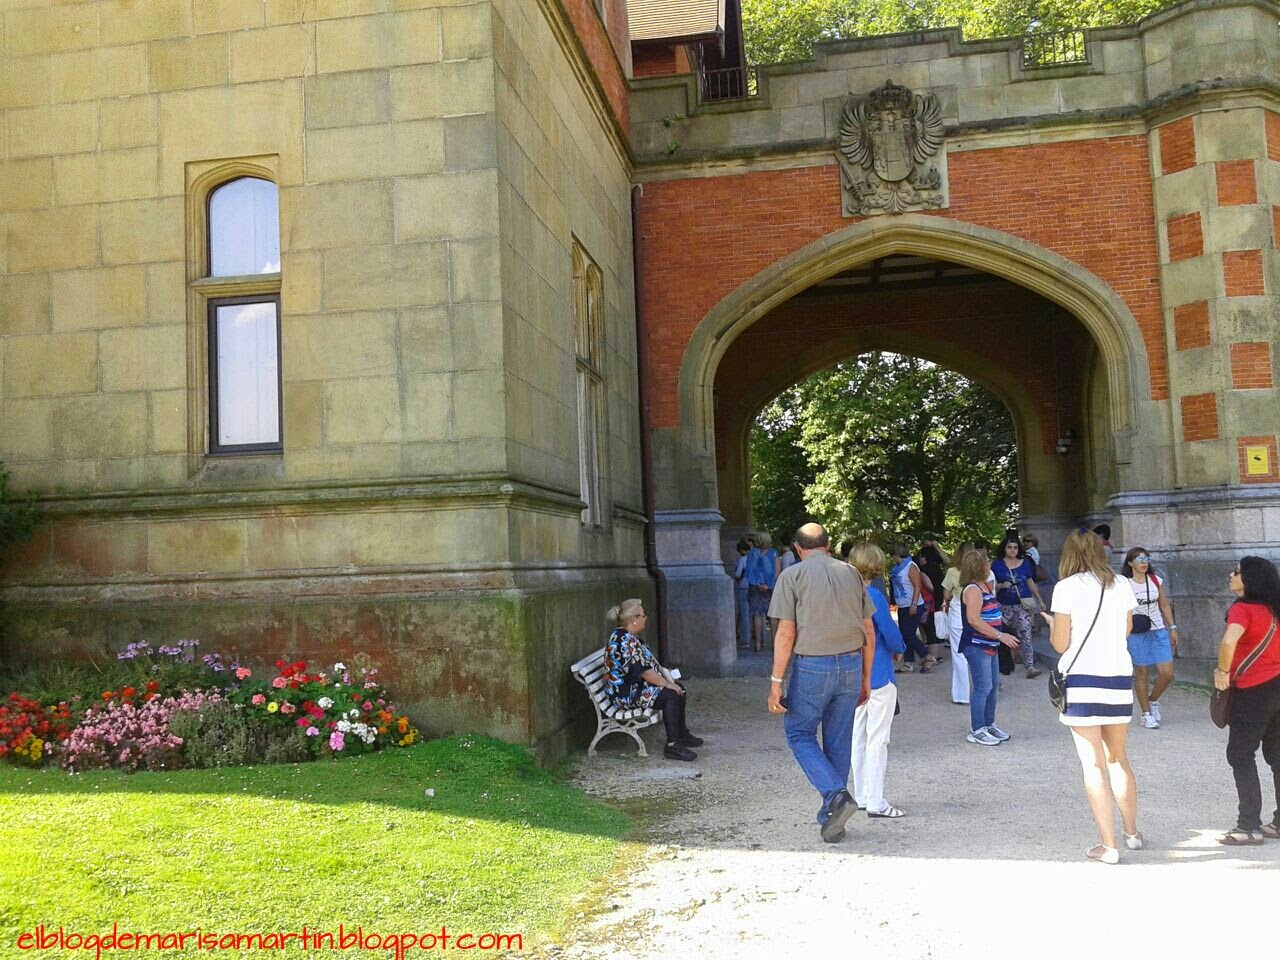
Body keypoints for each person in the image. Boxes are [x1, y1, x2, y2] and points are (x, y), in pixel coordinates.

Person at [766, 522, 876, 843]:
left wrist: (776, 681)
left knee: (798, 731)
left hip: (814, 664)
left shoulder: (791, 576)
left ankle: (835, 797)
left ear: (798, 549)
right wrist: (866, 677)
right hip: (852, 662)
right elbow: (868, 630)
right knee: (839, 740)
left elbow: (785, 633)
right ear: (827, 545)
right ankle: (833, 818)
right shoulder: (852, 574)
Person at [1048, 530, 1141, 864]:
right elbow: (1127, 629)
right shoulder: (1121, 584)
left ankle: (1108, 844)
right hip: (1117, 676)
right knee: (1118, 758)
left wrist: (1051, 625)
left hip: (1083, 679)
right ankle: (1132, 833)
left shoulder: (1066, 588)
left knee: (1093, 765)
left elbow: (1060, 644)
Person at [1212, 556, 1280, 846]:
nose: (1231, 575)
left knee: (1240, 753)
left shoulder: (1243, 609)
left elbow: (1229, 641)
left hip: (1253, 690)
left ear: (1249, 579)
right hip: (1277, 685)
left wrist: (1222, 671)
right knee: (1277, 755)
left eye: (1237, 571)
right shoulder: (1274, 609)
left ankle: (1248, 825)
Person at [847, 542, 907, 819]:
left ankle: (860, 795)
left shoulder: (843, 595)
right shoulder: (874, 595)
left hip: (851, 673)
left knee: (857, 737)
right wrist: (899, 648)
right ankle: (876, 800)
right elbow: (889, 633)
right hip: (879, 673)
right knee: (878, 739)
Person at [603, 599, 702, 761]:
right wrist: (668, 684)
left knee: (678, 688)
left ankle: (681, 734)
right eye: (643, 615)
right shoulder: (623, 641)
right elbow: (644, 672)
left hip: (631, 688)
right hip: (625, 695)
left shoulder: (626, 636)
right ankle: (673, 745)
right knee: (670, 694)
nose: (646, 618)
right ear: (633, 619)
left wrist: (670, 682)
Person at [957, 549, 1021, 746]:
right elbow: (974, 620)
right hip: (977, 645)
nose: (989, 565)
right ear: (978, 566)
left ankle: (988, 723)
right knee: (983, 687)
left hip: (989, 644)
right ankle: (977, 729)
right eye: (986, 562)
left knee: (992, 687)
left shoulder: (983, 586)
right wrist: (1001, 635)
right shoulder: (973, 589)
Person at [1121, 547, 1178, 729]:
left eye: (1146, 559)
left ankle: (1153, 700)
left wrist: (1173, 627)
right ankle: (1146, 714)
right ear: (1130, 563)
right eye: (1139, 559)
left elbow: (1164, 605)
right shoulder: (1124, 584)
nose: (1144, 562)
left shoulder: (1154, 580)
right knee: (1142, 672)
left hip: (1157, 628)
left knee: (1167, 673)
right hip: (1136, 631)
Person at [992, 537, 1045, 679]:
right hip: (1004, 604)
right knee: (1001, 635)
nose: (1012, 550)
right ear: (1004, 548)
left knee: (1026, 635)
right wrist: (1002, 586)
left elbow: (1030, 582)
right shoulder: (997, 565)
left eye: (1015, 548)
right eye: (1009, 547)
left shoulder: (1026, 563)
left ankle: (1030, 666)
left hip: (1023, 603)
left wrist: (1039, 599)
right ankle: (1003, 665)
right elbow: (991, 584)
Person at [889, 544, 935, 672]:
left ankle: (928, 656)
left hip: (913, 605)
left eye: (893, 555)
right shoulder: (896, 568)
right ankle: (908, 663)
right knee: (905, 635)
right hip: (902, 605)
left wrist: (914, 604)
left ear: (897, 555)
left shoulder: (911, 566)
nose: (892, 558)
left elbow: (917, 586)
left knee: (908, 634)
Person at [942, 543, 976, 705]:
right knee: (978, 653)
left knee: (959, 655)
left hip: (957, 613)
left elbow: (946, 595)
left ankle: (962, 694)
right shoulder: (981, 573)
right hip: (976, 613)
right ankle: (983, 688)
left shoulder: (952, 572)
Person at [745, 532, 778, 652]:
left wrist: (758, 584)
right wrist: (769, 585)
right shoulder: (774, 553)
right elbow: (776, 571)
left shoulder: (752, 553)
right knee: (773, 616)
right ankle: (774, 644)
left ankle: (758, 644)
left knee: (757, 615)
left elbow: (749, 571)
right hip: (771, 587)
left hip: (755, 587)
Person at [917, 541, 948, 664]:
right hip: (939, 601)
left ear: (924, 557)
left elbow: (930, 587)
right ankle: (939, 655)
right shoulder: (939, 569)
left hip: (929, 603)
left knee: (931, 631)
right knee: (938, 628)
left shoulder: (924, 570)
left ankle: (931, 657)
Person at [732, 537, 752, 649]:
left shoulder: (742, 559)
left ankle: (745, 640)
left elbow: (738, 574)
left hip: (743, 587)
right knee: (754, 614)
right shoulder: (754, 558)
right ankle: (760, 638)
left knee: (744, 614)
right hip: (753, 587)